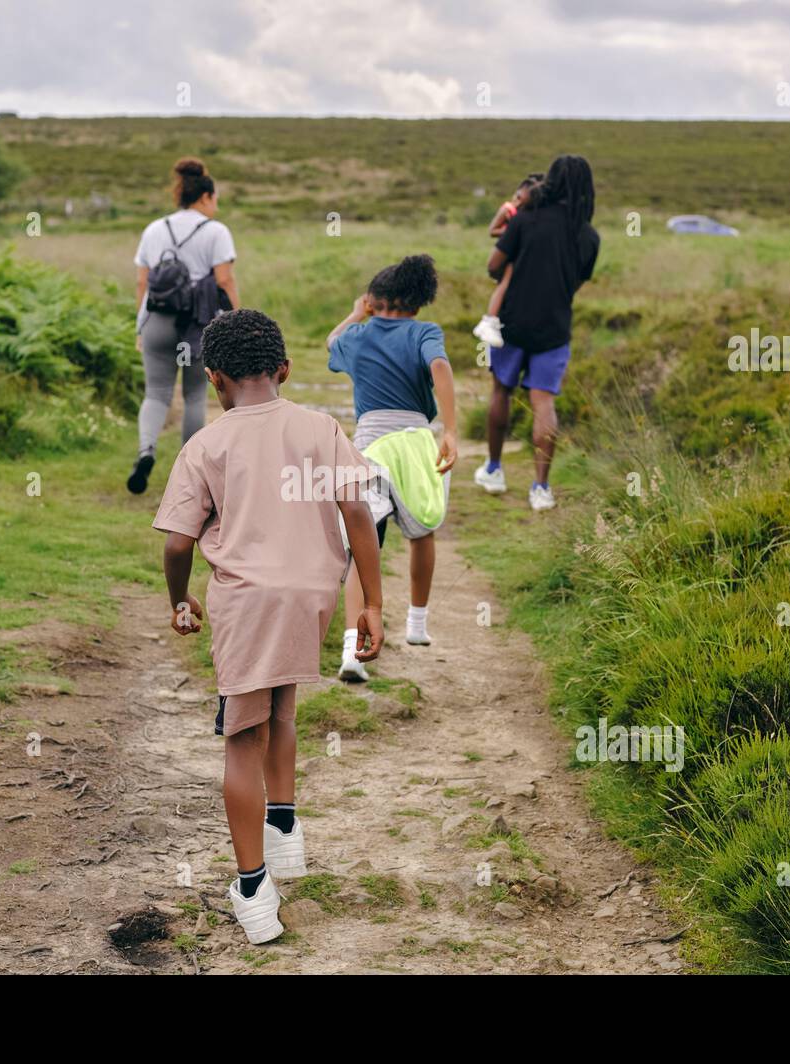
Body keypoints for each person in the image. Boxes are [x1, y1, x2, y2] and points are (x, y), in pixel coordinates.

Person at [153, 309, 384, 944]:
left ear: (215, 379)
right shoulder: (319, 427)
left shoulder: (207, 445)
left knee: (239, 737)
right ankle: (284, 830)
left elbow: (177, 543)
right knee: (281, 707)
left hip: (248, 604)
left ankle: (254, 890)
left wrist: (179, 598)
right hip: (312, 594)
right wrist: (373, 604)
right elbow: (357, 514)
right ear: (284, 370)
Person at [326, 254, 457, 682]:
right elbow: (439, 366)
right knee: (423, 529)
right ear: (418, 304)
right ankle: (417, 624)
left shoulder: (359, 335)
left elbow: (332, 343)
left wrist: (353, 313)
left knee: (362, 548)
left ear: (374, 300)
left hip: (370, 445)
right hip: (416, 441)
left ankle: (351, 648)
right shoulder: (424, 332)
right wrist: (451, 431)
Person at [474, 155, 599, 512]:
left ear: (552, 181)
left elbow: (493, 266)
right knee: (544, 403)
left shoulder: (526, 221)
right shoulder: (588, 236)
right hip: (555, 328)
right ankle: (540, 488)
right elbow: (575, 284)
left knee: (501, 389)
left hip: (511, 322)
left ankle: (495, 470)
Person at [128, 157, 239, 494]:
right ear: (204, 197)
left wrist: (139, 327)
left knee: (156, 393)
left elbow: (142, 283)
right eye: (215, 198)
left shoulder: (154, 228)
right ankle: (190, 472)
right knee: (194, 395)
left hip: (157, 321)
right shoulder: (216, 232)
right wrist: (235, 321)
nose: (216, 205)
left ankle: (146, 451)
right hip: (198, 324)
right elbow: (225, 279)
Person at [473, 174, 542, 348]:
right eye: (517, 197)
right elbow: (492, 230)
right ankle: (490, 320)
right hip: (508, 253)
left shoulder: (527, 214)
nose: (518, 202)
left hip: (521, 254)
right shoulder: (508, 210)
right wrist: (512, 232)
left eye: (522, 201)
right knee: (504, 284)